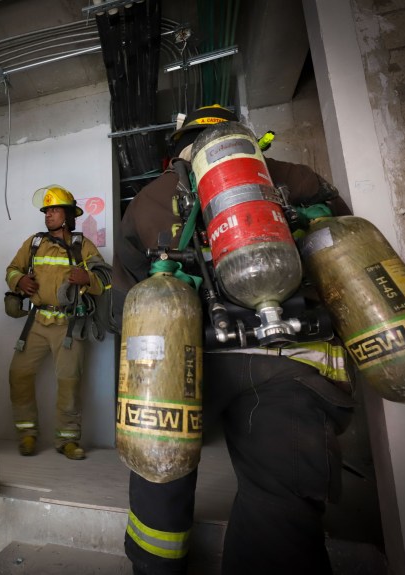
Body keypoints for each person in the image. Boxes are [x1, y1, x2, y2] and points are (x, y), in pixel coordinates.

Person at [112, 105, 356, 575]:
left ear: (178, 150)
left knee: (159, 467)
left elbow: (127, 299)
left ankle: (155, 567)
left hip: (183, 362)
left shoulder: (149, 198)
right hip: (290, 354)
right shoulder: (295, 178)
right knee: (280, 499)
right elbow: (343, 250)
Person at [5, 185, 110, 460]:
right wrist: (19, 280)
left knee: (69, 382)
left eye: (54, 210)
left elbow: (106, 278)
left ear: (67, 215)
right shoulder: (34, 243)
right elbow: (12, 269)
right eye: (46, 211)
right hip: (37, 322)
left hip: (69, 325)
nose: (48, 215)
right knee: (18, 374)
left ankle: (67, 440)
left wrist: (88, 279)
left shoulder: (81, 245)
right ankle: (27, 434)